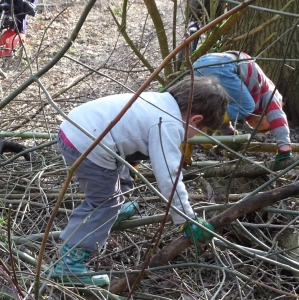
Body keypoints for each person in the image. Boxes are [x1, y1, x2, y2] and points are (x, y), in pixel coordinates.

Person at [53, 76, 229, 286]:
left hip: (79, 130)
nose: (195, 136)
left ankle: (110, 216)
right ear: (196, 119)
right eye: (203, 131)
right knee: (104, 201)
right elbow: (169, 177)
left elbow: (131, 133)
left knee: (122, 182)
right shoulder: (169, 123)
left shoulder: (160, 101)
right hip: (86, 144)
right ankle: (69, 264)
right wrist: (186, 218)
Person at [192, 51, 293, 165]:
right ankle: (202, 126)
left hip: (199, 65)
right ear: (268, 114)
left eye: (252, 124)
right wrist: (284, 148)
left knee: (219, 107)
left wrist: (231, 136)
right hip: (223, 64)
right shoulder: (269, 94)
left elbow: (223, 114)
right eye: (260, 122)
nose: (252, 121)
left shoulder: (238, 99)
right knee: (247, 107)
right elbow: (278, 118)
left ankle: (196, 129)